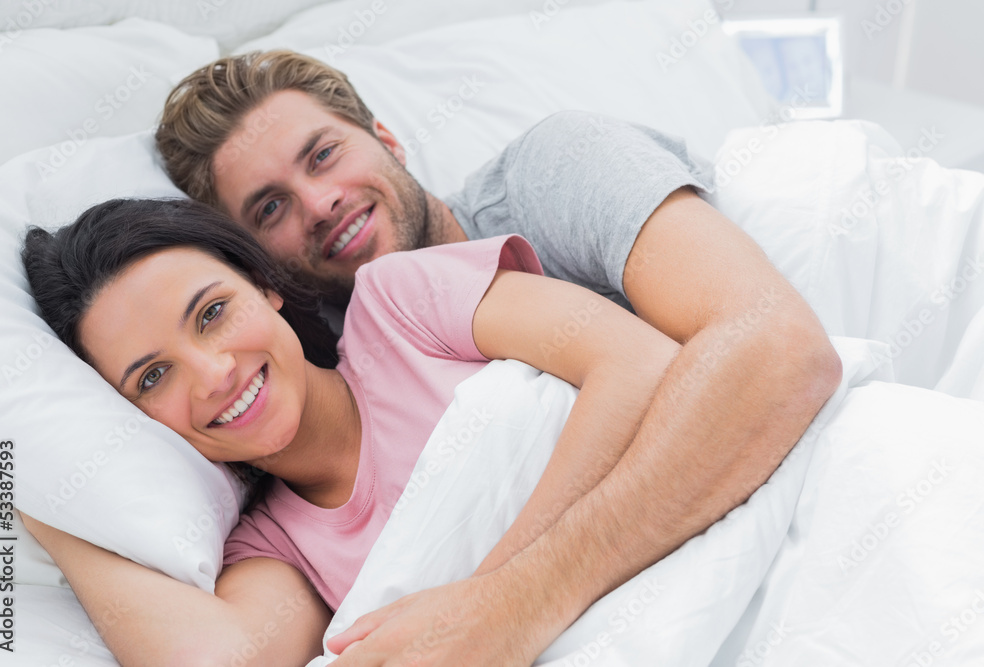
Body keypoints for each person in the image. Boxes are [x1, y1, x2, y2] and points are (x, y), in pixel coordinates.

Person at [148, 50, 843, 663]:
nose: (320, 203)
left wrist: (506, 599)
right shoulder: (326, 369)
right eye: (270, 208)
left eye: (323, 154)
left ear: (386, 138)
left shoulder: (556, 169)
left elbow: (781, 350)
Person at [20, 197, 688, 664]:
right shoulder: (273, 550)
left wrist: (499, 596)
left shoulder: (398, 307)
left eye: (214, 312)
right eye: (153, 377)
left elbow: (641, 363)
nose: (213, 373)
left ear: (264, 284)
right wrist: (38, 495)